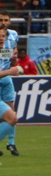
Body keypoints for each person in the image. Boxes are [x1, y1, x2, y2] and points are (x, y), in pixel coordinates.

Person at [0, 11, 24, 156]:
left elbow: (9, 58)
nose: (3, 22)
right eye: (0, 19)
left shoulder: (13, 36)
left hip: (6, 78)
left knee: (11, 114)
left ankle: (11, 143)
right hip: (5, 74)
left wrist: (13, 62)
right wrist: (11, 70)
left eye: (5, 20)